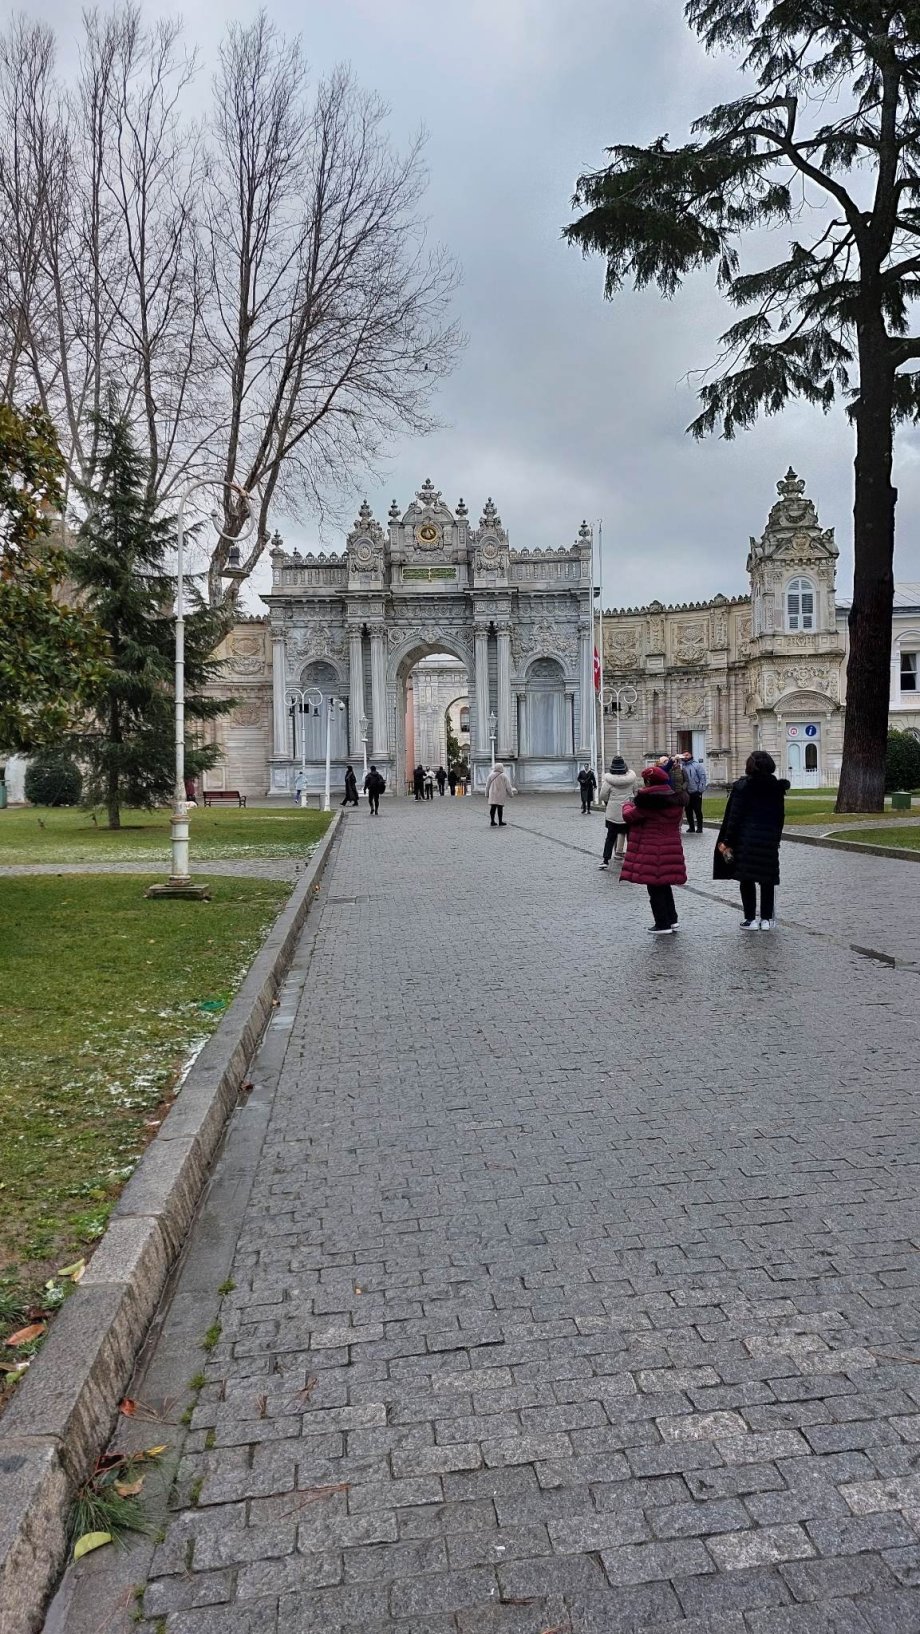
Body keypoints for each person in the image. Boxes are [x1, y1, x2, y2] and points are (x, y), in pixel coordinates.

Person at [714, 750, 789, 930]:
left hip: (746, 837)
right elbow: (780, 816)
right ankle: (766, 919)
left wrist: (727, 840)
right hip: (768, 837)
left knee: (747, 879)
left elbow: (734, 816)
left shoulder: (743, 787)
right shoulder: (776, 787)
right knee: (767, 878)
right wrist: (776, 837)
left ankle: (750, 918)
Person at [621, 764, 688, 933]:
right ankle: (672, 920)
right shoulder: (675, 799)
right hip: (671, 847)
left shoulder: (647, 801)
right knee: (665, 885)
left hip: (652, 849)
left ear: (648, 781)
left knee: (654, 887)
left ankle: (662, 923)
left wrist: (626, 805)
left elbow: (629, 817)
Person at [597, 756, 639, 868]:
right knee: (631, 837)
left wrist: (610, 802)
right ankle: (633, 859)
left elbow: (602, 796)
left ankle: (605, 860)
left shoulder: (609, 781)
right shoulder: (632, 779)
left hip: (613, 813)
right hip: (628, 812)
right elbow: (636, 793)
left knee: (610, 837)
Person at [682, 751, 708, 833]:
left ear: (691, 755)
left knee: (697, 810)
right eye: (684, 755)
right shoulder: (681, 766)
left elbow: (702, 777)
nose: (686, 756)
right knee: (688, 810)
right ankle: (691, 827)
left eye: (687, 755)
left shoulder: (697, 765)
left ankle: (700, 827)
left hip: (696, 791)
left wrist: (700, 790)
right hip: (686, 792)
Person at [485, 761, 515, 826]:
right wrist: (511, 794)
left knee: (493, 807)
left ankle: (492, 821)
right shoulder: (504, 776)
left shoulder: (491, 775)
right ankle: (500, 822)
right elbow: (508, 786)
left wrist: (486, 794)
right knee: (500, 808)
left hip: (492, 794)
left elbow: (487, 786)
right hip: (501, 794)